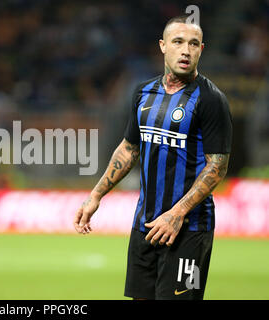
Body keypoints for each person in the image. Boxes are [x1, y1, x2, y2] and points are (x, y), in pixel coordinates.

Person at [73, 15, 233, 300]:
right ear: (163, 46)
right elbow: (128, 148)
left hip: (190, 230)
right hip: (144, 225)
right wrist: (95, 195)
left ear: (201, 50)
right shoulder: (143, 93)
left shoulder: (211, 100)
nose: (186, 50)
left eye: (193, 44)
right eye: (178, 42)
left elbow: (217, 167)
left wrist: (177, 213)